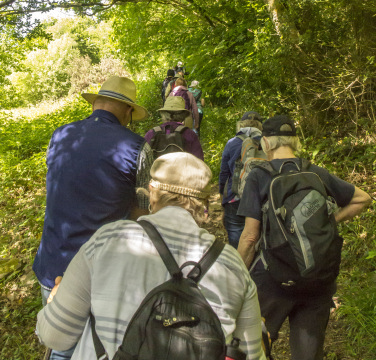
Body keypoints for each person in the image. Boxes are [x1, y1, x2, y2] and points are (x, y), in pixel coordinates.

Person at [36, 152, 266, 360]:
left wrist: (56, 300)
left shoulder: (108, 240)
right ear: (204, 203)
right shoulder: (231, 264)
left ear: (152, 194)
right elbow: (252, 354)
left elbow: (55, 336)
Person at [33, 75, 153, 360]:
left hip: (53, 260)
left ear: (96, 103)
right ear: (127, 111)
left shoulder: (59, 135)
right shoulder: (137, 147)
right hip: (104, 268)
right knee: (103, 347)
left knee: (61, 345)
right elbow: (142, 211)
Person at [237, 115, 371, 360]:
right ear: (295, 141)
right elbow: (363, 198)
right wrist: (331, 220)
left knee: (251, 347)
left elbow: (249, 237)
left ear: (266, 142)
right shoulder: (316, 173)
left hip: (272, 279)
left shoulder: (258, 176)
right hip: (317, 278)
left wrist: (235, 277)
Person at [219, 111, 265, 249]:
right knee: (259, 239)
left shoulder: (232, 143)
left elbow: (224, 173)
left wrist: (223, 197)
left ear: (241, 124)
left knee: (236, 242)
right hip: (261, 198)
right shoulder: (266, 143)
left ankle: (238, 266)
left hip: (235, 197)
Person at [144, 96, 204, 160]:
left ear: (163, 114)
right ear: (183, 115)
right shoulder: (190, 134)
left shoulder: (151, 134)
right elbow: (199, 161)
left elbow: (143, 161)